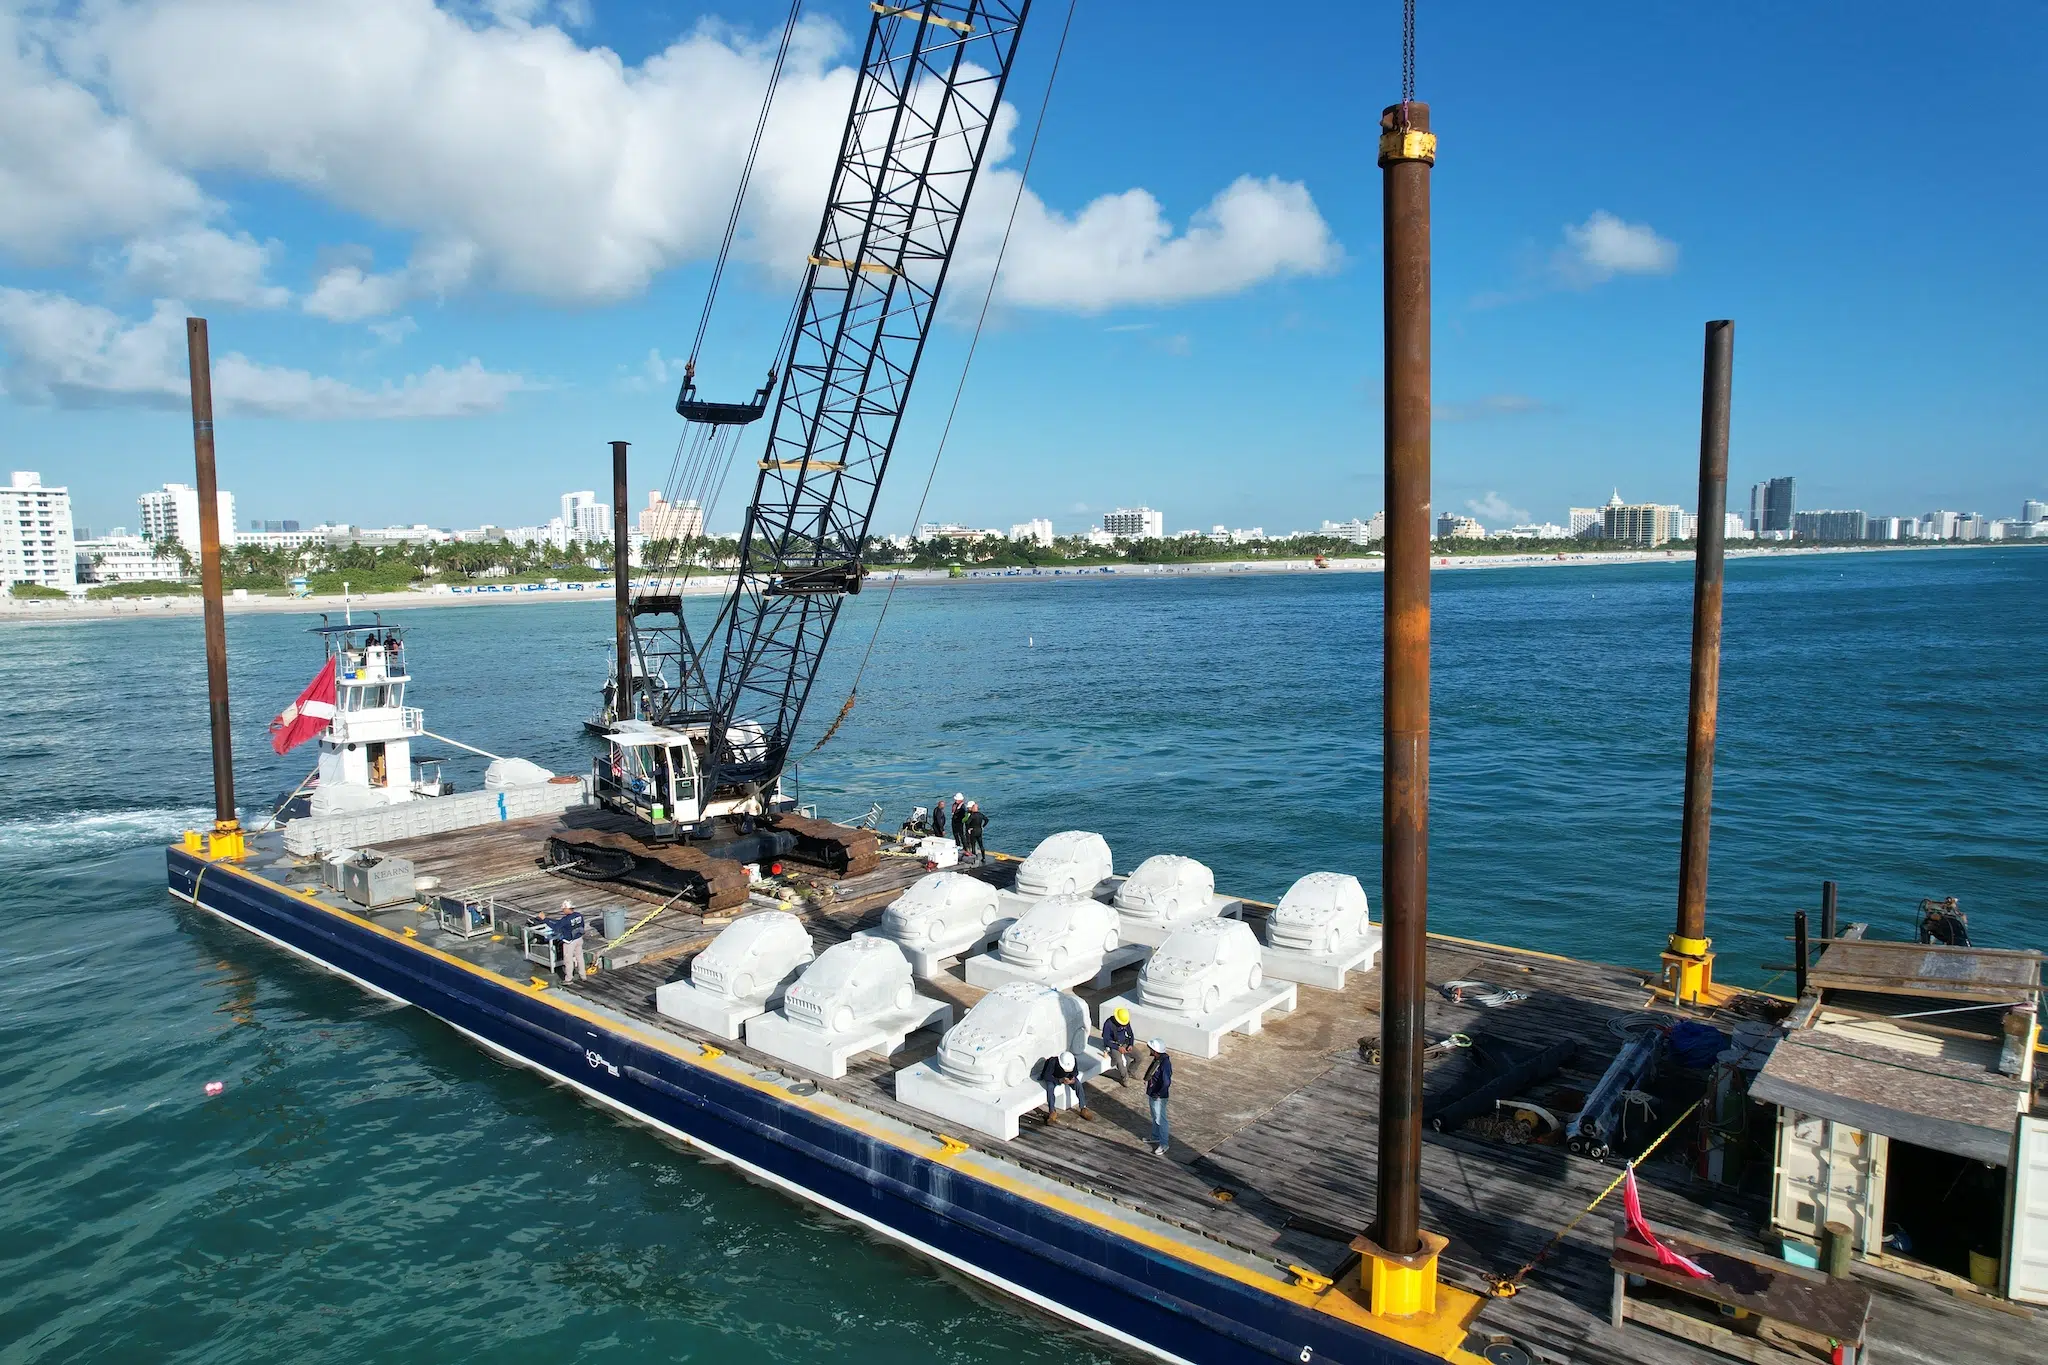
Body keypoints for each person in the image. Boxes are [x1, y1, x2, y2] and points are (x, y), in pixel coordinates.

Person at [1038, 1050, 1094, 1123]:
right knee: (1050, 1088)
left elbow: (1075, 1072)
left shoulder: (1073, 1061)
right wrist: (1059, 1080)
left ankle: (1083, 1107)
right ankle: (1052, 1111)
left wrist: (1072, 1079)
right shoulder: (1052, 1062)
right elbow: (1047, 1076)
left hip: (1066, 1078)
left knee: (1078, 1084)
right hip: (1054, 1078)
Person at [1144, 1039, 1173, 1155]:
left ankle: (1164, 1143)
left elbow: (1166, 1082)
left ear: (1155, 1051)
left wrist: (1158, 1093)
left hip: (1159, 1096)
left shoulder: (1164, 1063)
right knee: (1154, 1115)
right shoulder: (1158, 1060)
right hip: (1153, 1093)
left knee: (1161, 1119)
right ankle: (1156, 1136)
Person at [552, 899, 587, 982]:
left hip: (569, 942)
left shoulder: (566, 920)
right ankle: (583, 976)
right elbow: (582, 926)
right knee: (580, 957)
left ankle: (568, 978)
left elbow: (556, 927)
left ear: (567, 909)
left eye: (563, 909)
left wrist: (544, 920)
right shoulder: (579, 915)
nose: (563, 910)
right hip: (579, 939)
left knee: (568, 960)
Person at [1102, 1006, 1136, 1084]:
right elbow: (1106, 1040)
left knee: (1139, 1057)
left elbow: (1130, 1034)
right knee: (1119, 1061)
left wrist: (1131, 1044)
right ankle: (1125, 1078)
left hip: (1124, 1042)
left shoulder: (1125, 1021)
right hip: (1114, 1045)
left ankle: (1131, 1071)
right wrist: (1118, 1048)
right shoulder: (1108, 1024)